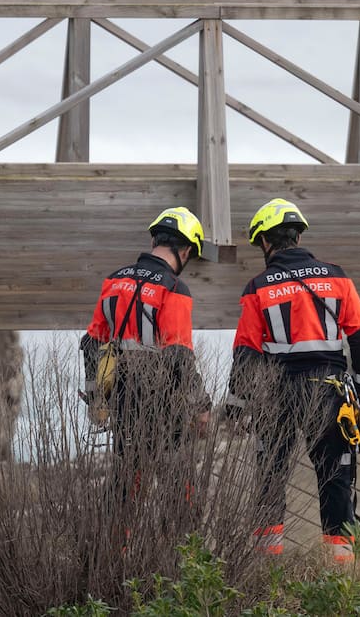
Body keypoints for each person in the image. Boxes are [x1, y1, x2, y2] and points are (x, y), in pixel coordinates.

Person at [224, 197, 360, 562]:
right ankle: (339, 571)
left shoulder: (258, 286)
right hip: (330, 390)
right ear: (298, 236)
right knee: (336, 477)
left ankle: (265, 565)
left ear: (265, 241)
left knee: (270, 476)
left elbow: (246, 352)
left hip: (276, 393)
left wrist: (236, 404)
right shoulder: (336, 276)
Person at [80, 206, 212, 501]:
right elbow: (179, 355)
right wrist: (201, 405)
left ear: (155, 241)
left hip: (123, 401)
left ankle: (115, 532)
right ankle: (179, 532)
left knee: (126, 486)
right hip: (164, 403)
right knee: (181, 491)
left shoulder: (114, 280)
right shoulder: (174, 287)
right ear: (186, 251)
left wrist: (95, 396)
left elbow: (91, 343)